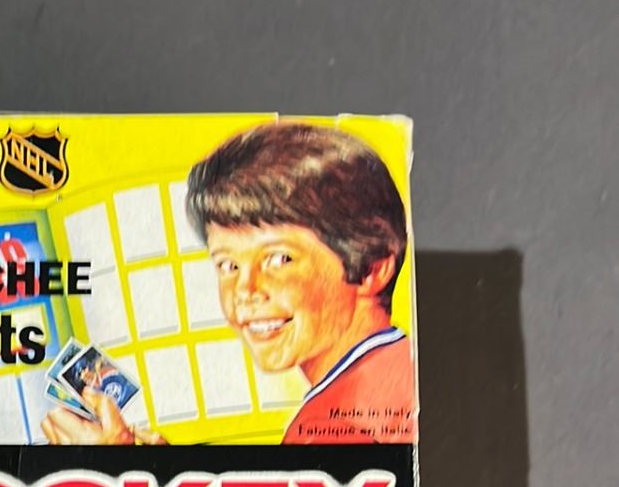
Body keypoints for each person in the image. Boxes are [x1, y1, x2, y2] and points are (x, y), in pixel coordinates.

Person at [40, 121, 415, 446]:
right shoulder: (397, 366)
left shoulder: (333, 425)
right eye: (228, 265)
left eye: (279, 259)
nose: (244, 291)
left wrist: (119, 467)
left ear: (371, 268)